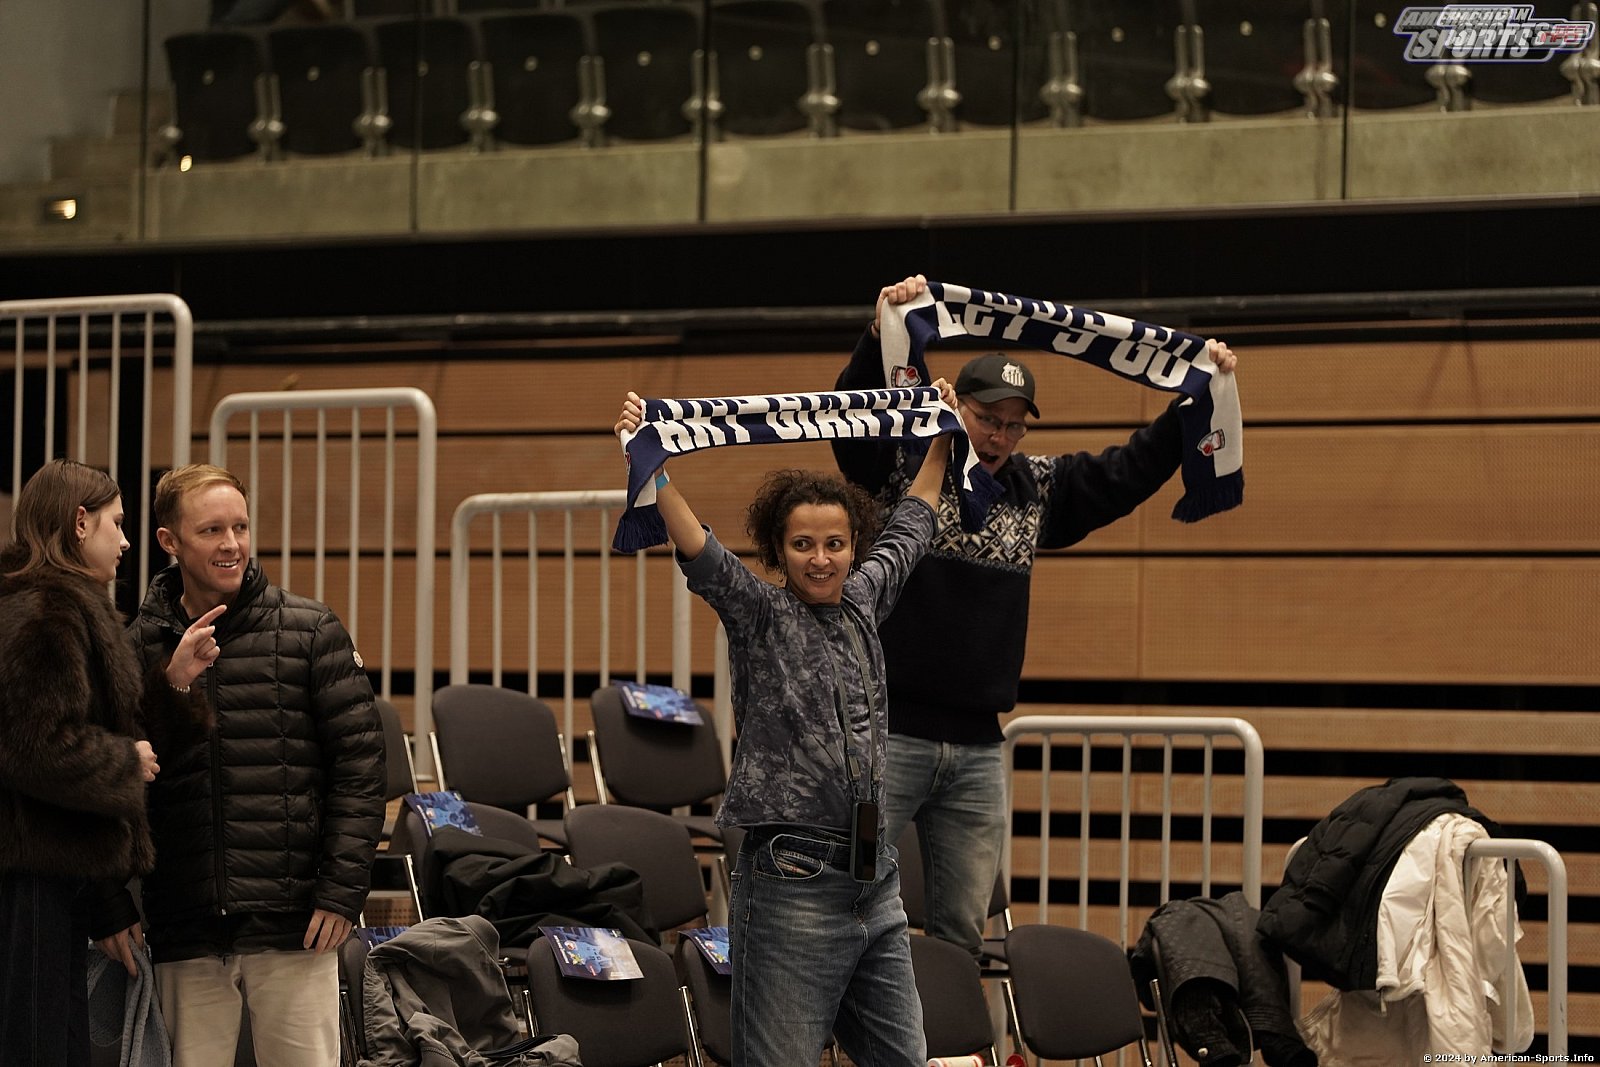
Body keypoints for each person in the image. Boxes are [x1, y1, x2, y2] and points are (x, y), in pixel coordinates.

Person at [834, 274, 1240, 960]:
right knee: (850, 908)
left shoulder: (1036, 489)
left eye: (1014, 424)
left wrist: (1197, 397)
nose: (1000, 435)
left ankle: (952, 1030)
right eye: (988, 418)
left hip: (977, 752)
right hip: (886, 736)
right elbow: (855, 424)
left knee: (963, 932)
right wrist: (879, 337)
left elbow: (1126, 471)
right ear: (956, 407)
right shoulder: (903, 466)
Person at [615, 382, 956, 1067]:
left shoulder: (865, 598)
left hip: (877, 882)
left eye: (834, 543)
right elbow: (701, 550)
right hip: (791, 882)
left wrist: (944, 435)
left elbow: (916, 519)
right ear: (778, 548)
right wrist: (648, 459)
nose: (820, 558)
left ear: (854, 546)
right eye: (803, 544)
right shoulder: (758, 612)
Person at [128, 462, 385, 1065]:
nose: (232, 545)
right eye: (211, 530)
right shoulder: (134, 647)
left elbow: (360, 769)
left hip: (297, 926)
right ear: (169, 541)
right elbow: (115, 781)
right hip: (184, 925)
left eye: (240, 527)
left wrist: (341, 893)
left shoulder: (310, 630)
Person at [0, 459, 214, 1065]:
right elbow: (34, 747)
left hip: (57, 869)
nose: (125, 541)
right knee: (38, 1044)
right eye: (116, 524)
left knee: (59, 1040)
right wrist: (123, 761)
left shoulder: (67, 608)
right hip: (33, 873)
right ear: (79, 523)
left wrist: (173, 682)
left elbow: (99, 728)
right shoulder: (44, 612)